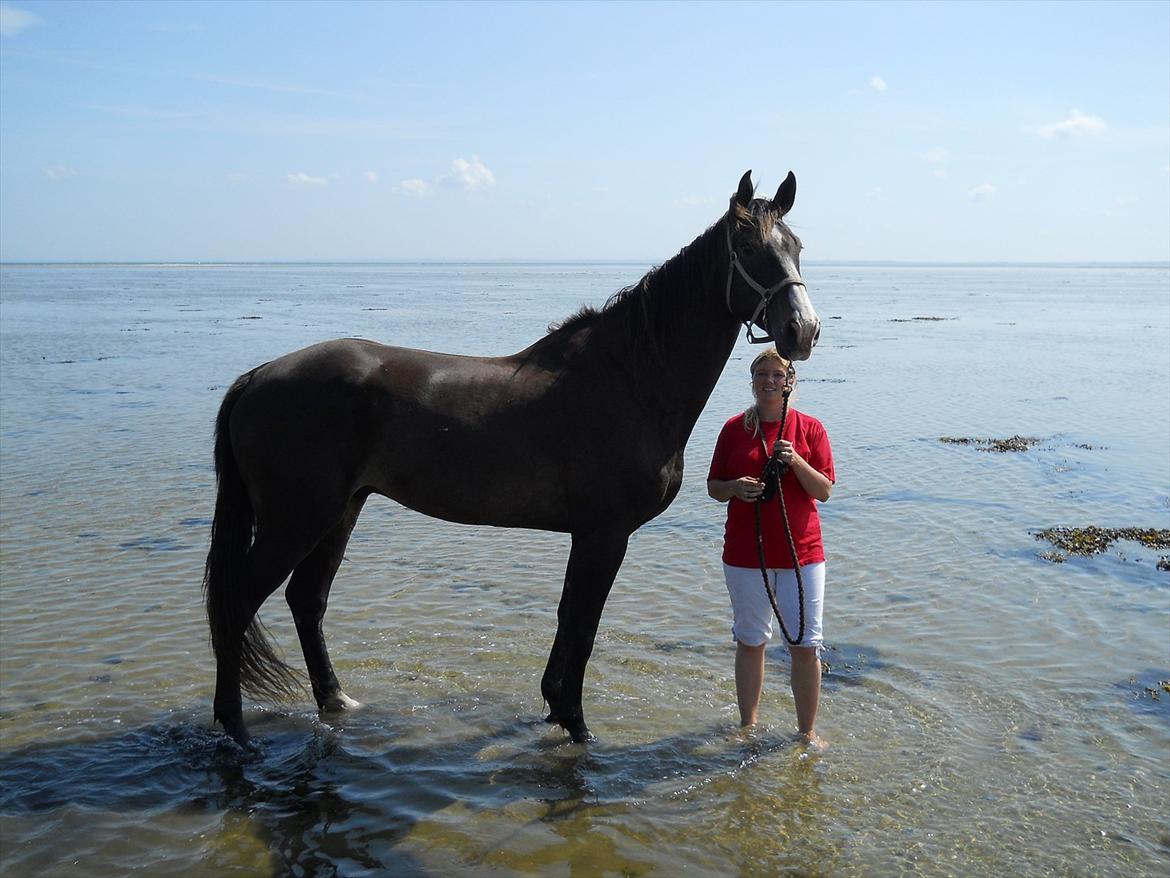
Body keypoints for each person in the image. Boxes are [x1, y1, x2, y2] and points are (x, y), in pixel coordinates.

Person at [707, 348, 835, 748]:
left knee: (805, 645)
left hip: (803, 556)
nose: (768, 381)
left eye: (776, 375)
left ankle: (806, 732)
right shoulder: (733, 429)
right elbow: (713, 488)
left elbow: (825, 490)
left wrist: (795, 460)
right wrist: (735, 489)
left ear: (789, 381)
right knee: (750, 640)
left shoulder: (809, 428)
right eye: (761, 374)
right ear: (752, 381)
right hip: (746, 555)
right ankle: (748, 726)